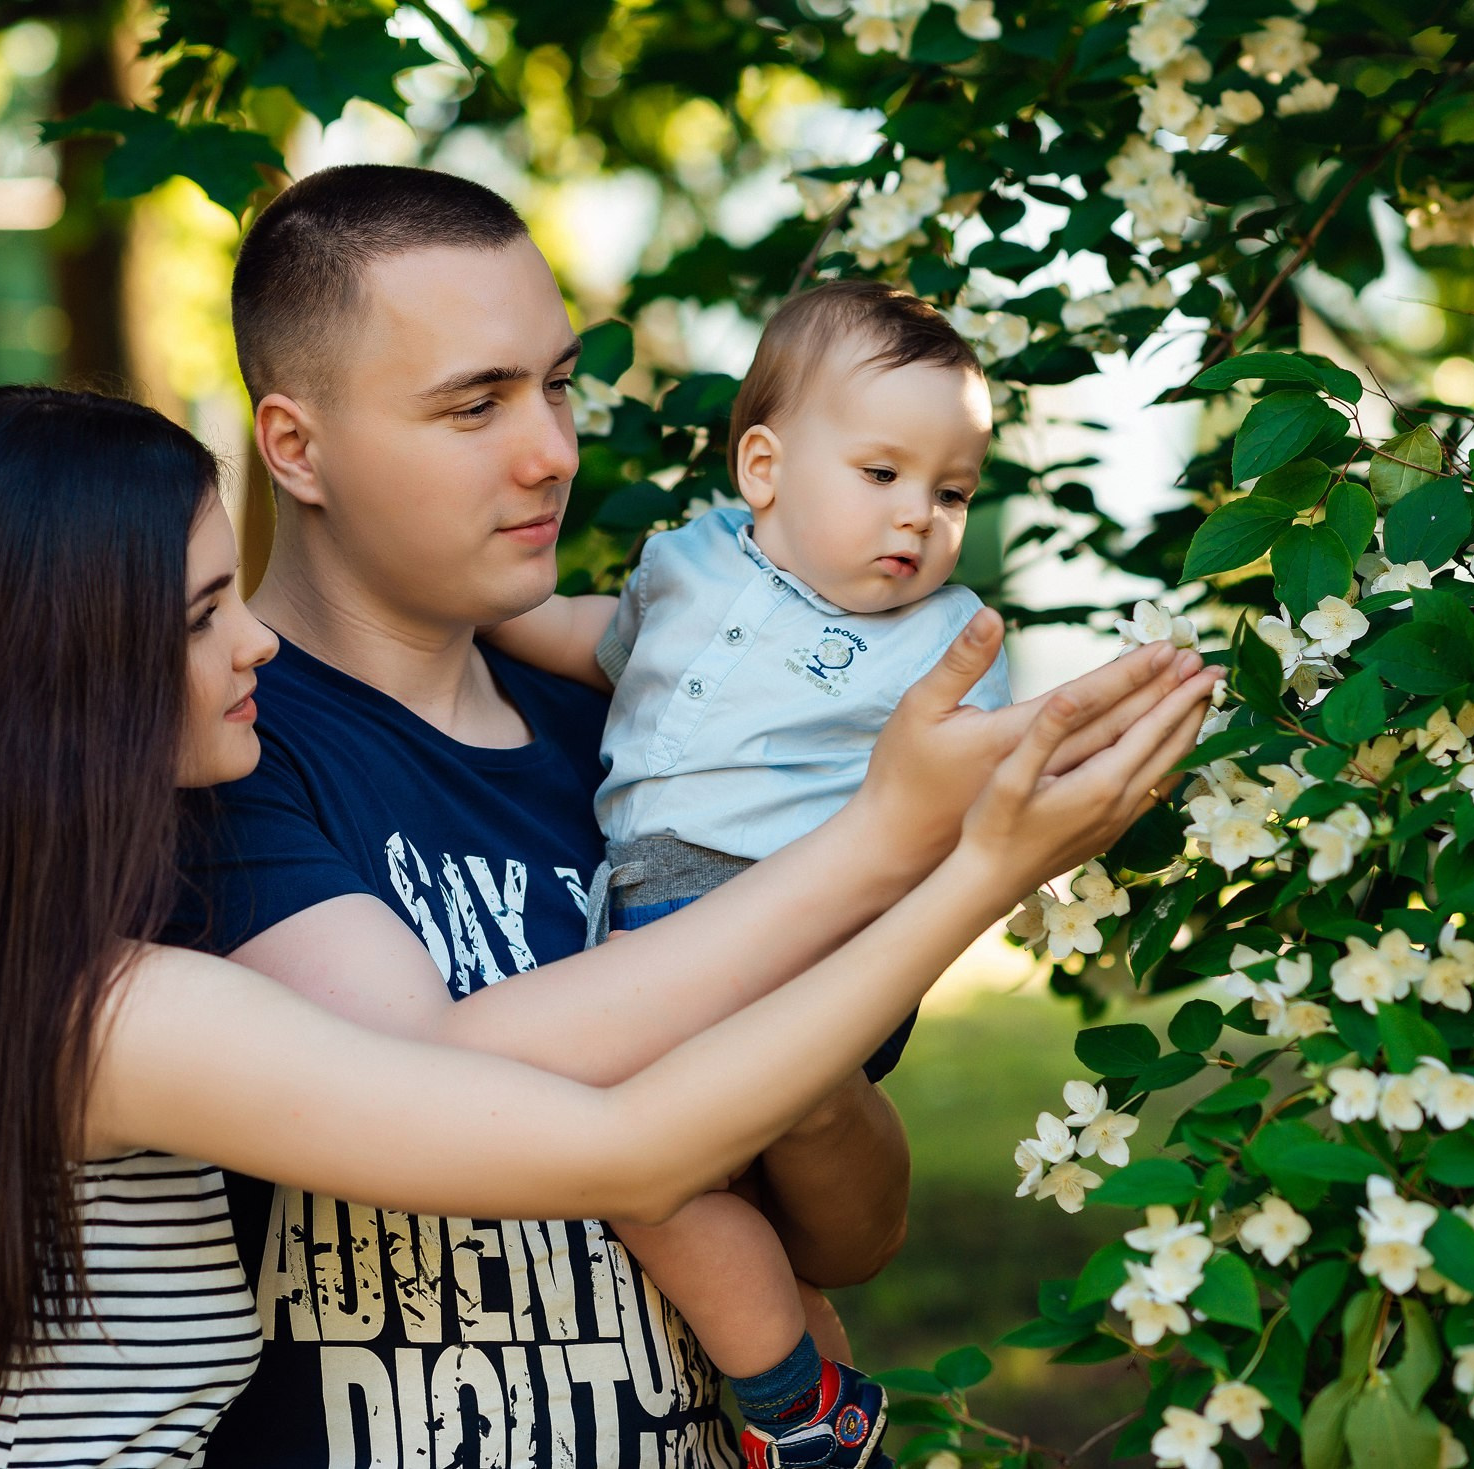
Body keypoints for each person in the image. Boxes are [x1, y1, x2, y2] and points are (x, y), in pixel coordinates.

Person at [0, 386, 1209, 1469]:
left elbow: (614, 1106)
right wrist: (960, 866)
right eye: (196, 617)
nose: (251, 641)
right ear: (53, 686)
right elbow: (625, 1148)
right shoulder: (111, 1020)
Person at [169, 164, 1212, 1467]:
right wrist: (904, 847)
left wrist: (802, 1064)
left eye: (554, 383)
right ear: (296, 447)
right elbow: (418, 1088)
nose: (554, 448)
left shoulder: (657, 748)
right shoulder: (222, 755)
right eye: (473, 404)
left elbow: (852, 1232)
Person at [481, 280, 1013, 1466]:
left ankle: (790, 1402)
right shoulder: (689, 562)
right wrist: (480, 616)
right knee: (667, 1172)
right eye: (882, 474)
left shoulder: (944, 637)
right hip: (660, 920)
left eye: (952, 491)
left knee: (634, 1165)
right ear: (764, 469)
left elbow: (982, 775)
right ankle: (817, 1389)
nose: (920, 517)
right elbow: (597, 644)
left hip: (797, 932)